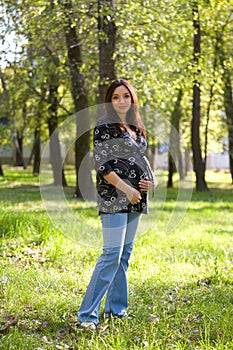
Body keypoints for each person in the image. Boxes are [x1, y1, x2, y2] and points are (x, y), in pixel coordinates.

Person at [77, 78, 157, 330]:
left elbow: (141, 157)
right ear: (109, 101)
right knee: (111, 254)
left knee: (124, 256)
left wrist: (150, 181)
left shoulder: (136, 127)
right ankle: (87, 316)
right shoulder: (104, 126)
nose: (121, 101)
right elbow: (103, 166)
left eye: (125, 96)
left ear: (132, 99)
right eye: (115, 97)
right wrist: (128, 189)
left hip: (136, 198)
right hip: (114, 198)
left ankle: (116, 310)